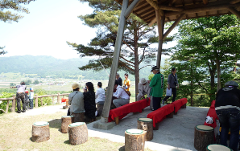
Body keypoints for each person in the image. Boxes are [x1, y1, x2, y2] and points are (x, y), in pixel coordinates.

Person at [215, 81, 240, 151]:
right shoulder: (237, 91)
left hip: (219, 109)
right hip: (233, 109)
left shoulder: (220, 91)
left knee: (224, 127)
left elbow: (217, 100)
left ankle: (223, 148)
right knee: (234, 130)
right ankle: (232, 149)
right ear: (235, 86)